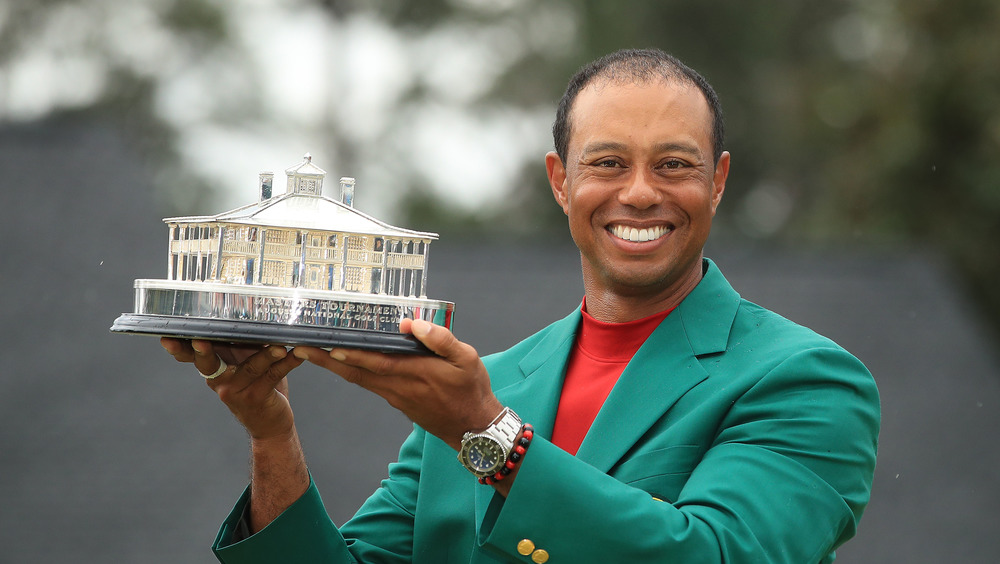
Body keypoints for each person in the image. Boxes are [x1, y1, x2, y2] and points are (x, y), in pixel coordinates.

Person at [162, 48, 880, 563]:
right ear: (560, 181)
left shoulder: (807, 381)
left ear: (717, 182)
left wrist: (488, 435)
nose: (638, 192)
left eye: (674, 164)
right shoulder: (482, 385)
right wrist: (271, 435)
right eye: (606, 163)